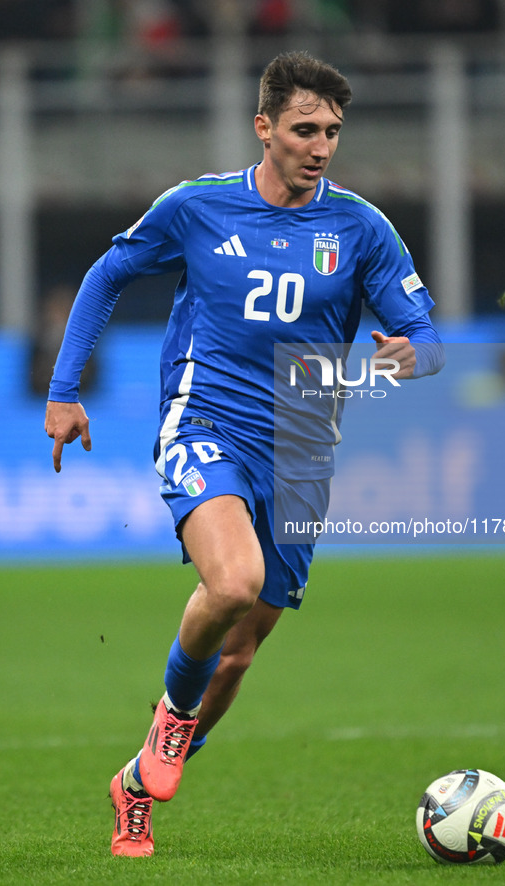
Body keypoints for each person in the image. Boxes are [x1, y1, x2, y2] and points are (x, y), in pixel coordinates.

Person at [44, 51, 444, 857]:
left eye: (332, 131)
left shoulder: (361, 227)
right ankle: (167, 726)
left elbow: (428, 340)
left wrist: (409, 355)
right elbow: (108, 272)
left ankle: (138, 783)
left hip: (300, 446)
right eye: (303, 129)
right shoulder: (198, 209)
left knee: (239, 653)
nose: (320, 145)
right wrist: (64, 387)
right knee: (233, 581)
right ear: (263, 128)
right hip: (205, 420)